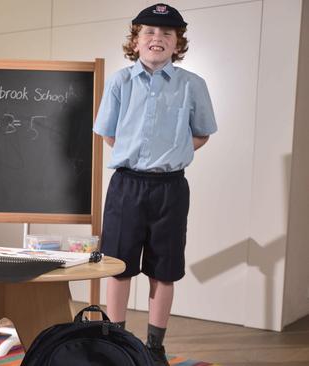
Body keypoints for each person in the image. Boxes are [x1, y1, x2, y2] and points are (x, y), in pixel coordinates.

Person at [93, 4, 217, 365]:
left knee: (165, 267)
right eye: (148, 31)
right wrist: (139, 158)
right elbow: (110, 134)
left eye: (166, 33)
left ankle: (154, 346)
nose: (157, 38)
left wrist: (171, 153)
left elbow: (202, 134)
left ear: (178, 43)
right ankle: (115, 341)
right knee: (118, 264)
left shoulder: (193, 85)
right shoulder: (120, 82)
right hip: (126, 187)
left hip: (170, 189)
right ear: (136, 40)